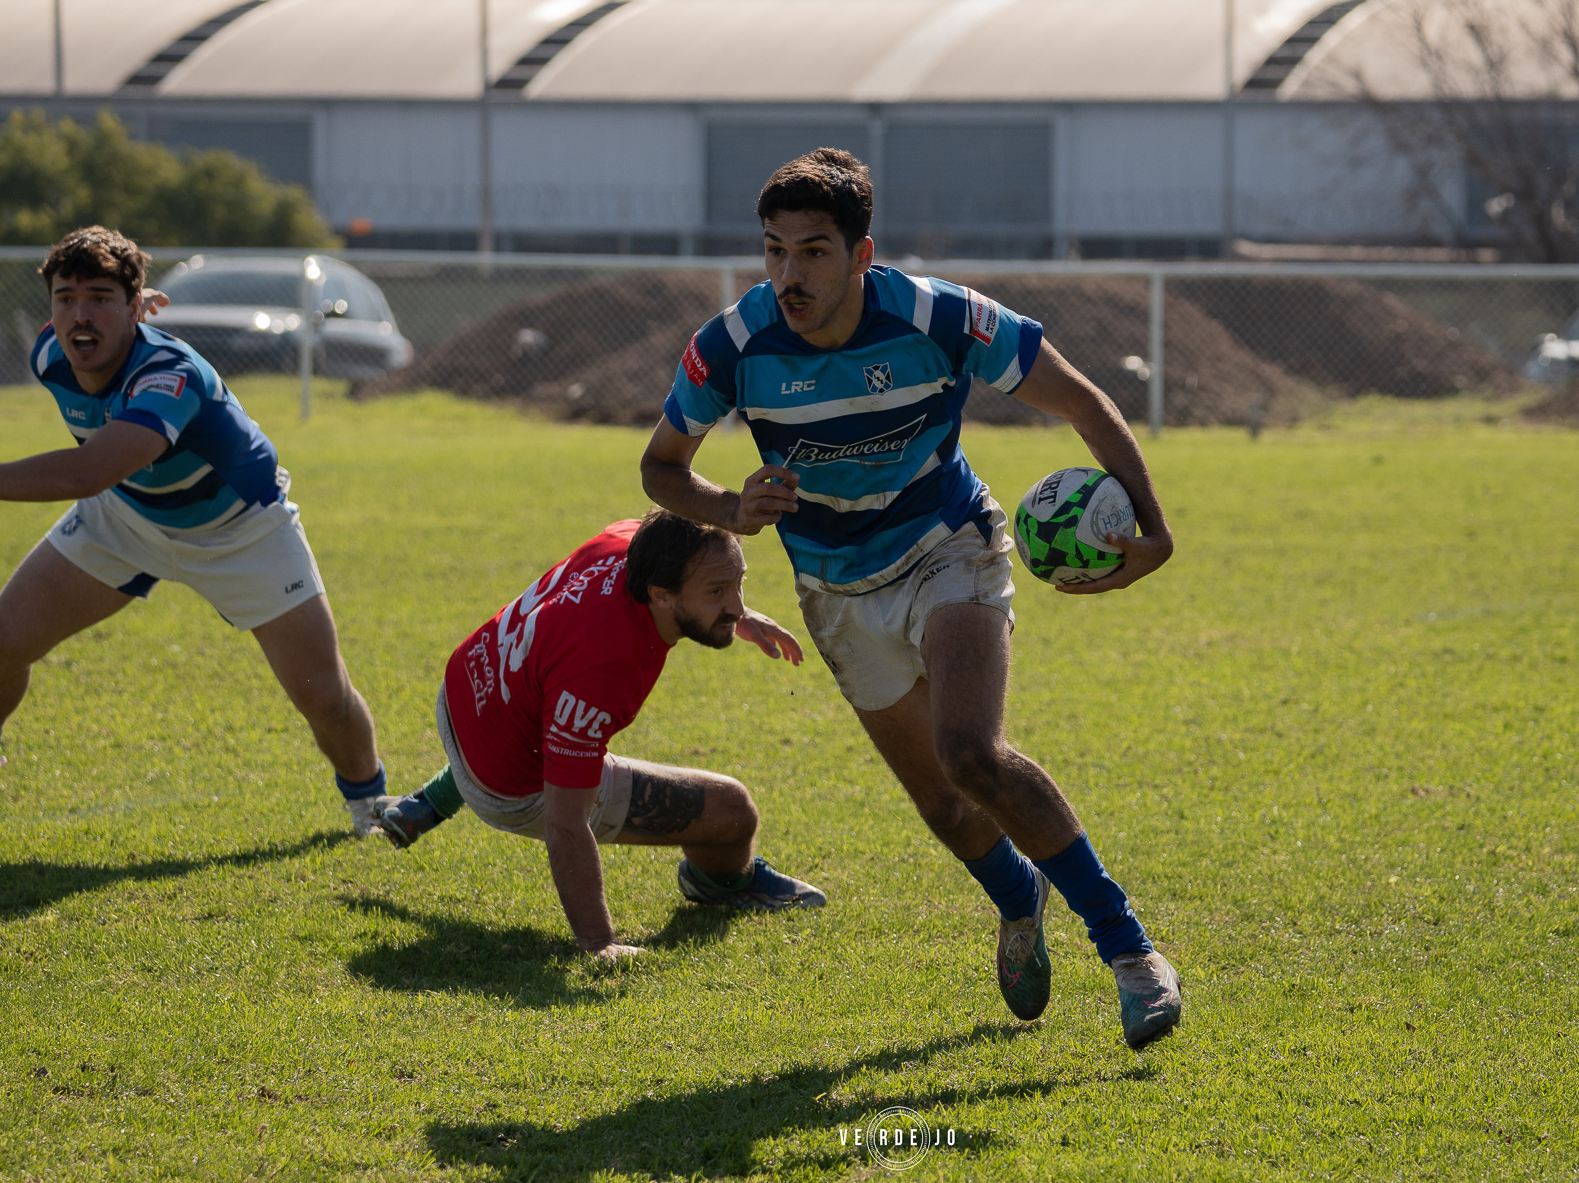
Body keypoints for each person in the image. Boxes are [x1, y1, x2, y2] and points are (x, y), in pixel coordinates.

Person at [640, 149, 1182, 1049]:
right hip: (836, 585)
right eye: (774, 251)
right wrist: (730, 508)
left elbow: (1081, 401)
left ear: (861, 254)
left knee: (971, 750)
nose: (788, 276)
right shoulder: (734, 346)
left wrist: (1154, 529)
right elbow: (661, 469)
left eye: (813, 252)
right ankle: (1019, 898)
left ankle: (1131, 952)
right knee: (942, 805)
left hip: (948, 542)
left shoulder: (938, 315)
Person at [0, 226, 390, 833]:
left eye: (101, 297)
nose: (79, 314)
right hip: (124, 517)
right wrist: (117, 311)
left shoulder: (169, 373)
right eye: (65, 297)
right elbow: (104, 474)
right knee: (2, 643)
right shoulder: (51, 352)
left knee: (325, 699)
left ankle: (371, 803)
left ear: (134, 306)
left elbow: (91, 467)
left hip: (243, 532)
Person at [376, 512, 825, 961]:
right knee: (733, 813)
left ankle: (432, 799)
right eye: (716, 592)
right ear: (661, 595)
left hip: (466, 689)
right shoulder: (605, 668)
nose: (735, 602)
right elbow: (565, 822)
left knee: (541, 705)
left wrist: (730, 614)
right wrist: (600, 942)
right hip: (506, 784)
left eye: (737, 583)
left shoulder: (634, 541)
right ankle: (720, 883)